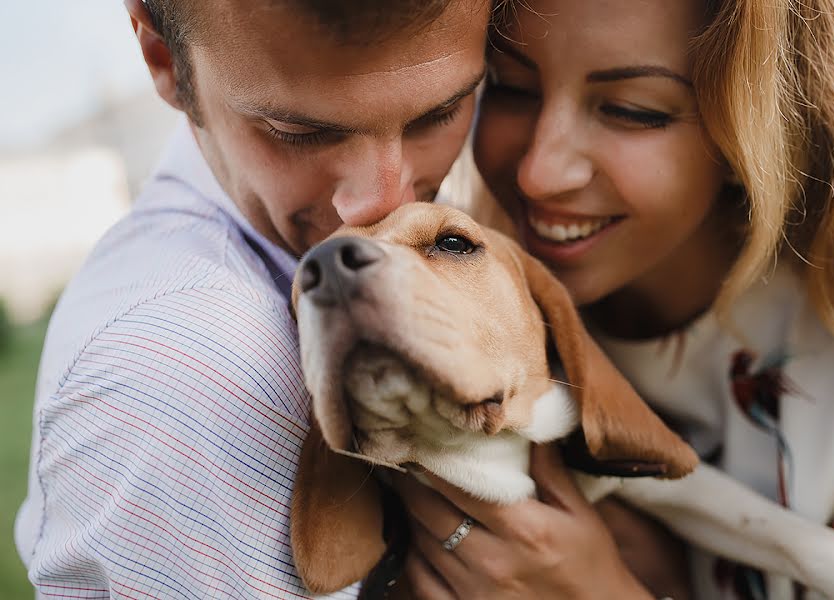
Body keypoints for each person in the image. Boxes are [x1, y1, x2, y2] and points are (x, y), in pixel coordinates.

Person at [395, 0, 834, 598]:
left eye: (630, 110)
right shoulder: (468, 328)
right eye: (509, 86)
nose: (540, 172)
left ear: (758, 129)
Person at [14, 0, 504, 597]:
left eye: (442, 112)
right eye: (298, 132)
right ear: (162, 55)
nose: (380, 201)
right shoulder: (197, 374)